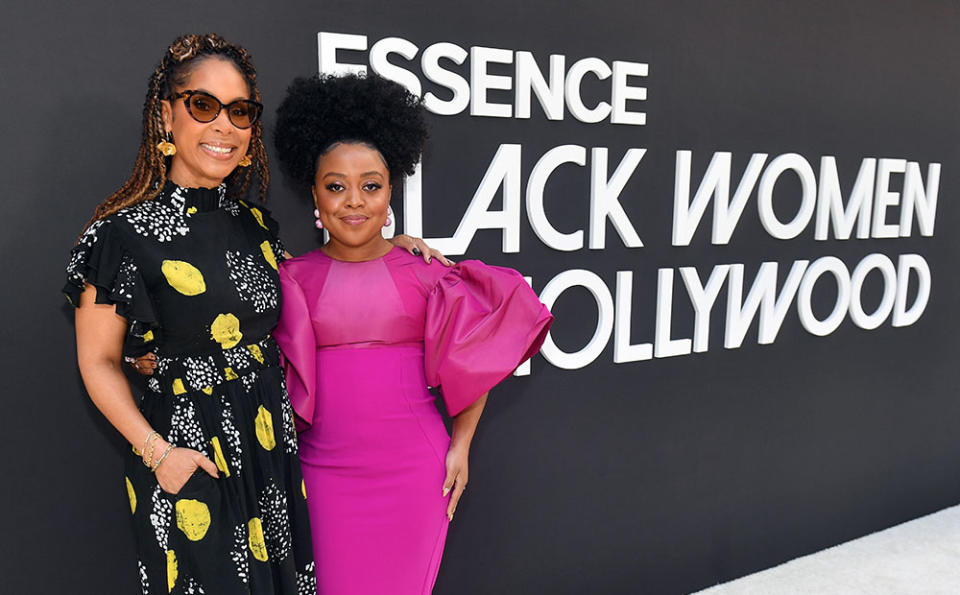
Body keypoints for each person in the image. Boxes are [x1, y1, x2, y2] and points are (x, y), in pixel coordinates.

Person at [64, 33, 442, 595]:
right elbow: (96, 361)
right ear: (167, 117)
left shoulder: (257, 227)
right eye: (203, 106)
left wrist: (388, 244)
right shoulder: (121, 234)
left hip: (270, 452)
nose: (223, 126)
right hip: (190, 456)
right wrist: (158, 454)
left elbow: (316, 282)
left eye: (239, 111)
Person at [270, 73, 554, 595]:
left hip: (414, 473)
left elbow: (475, 362)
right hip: (321, 474)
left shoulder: (428, 274)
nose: (354, 201)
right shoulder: (291, 279)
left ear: (390, 189)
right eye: (336, 186)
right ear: (314, 193)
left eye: (370, 185)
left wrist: (461, 446)